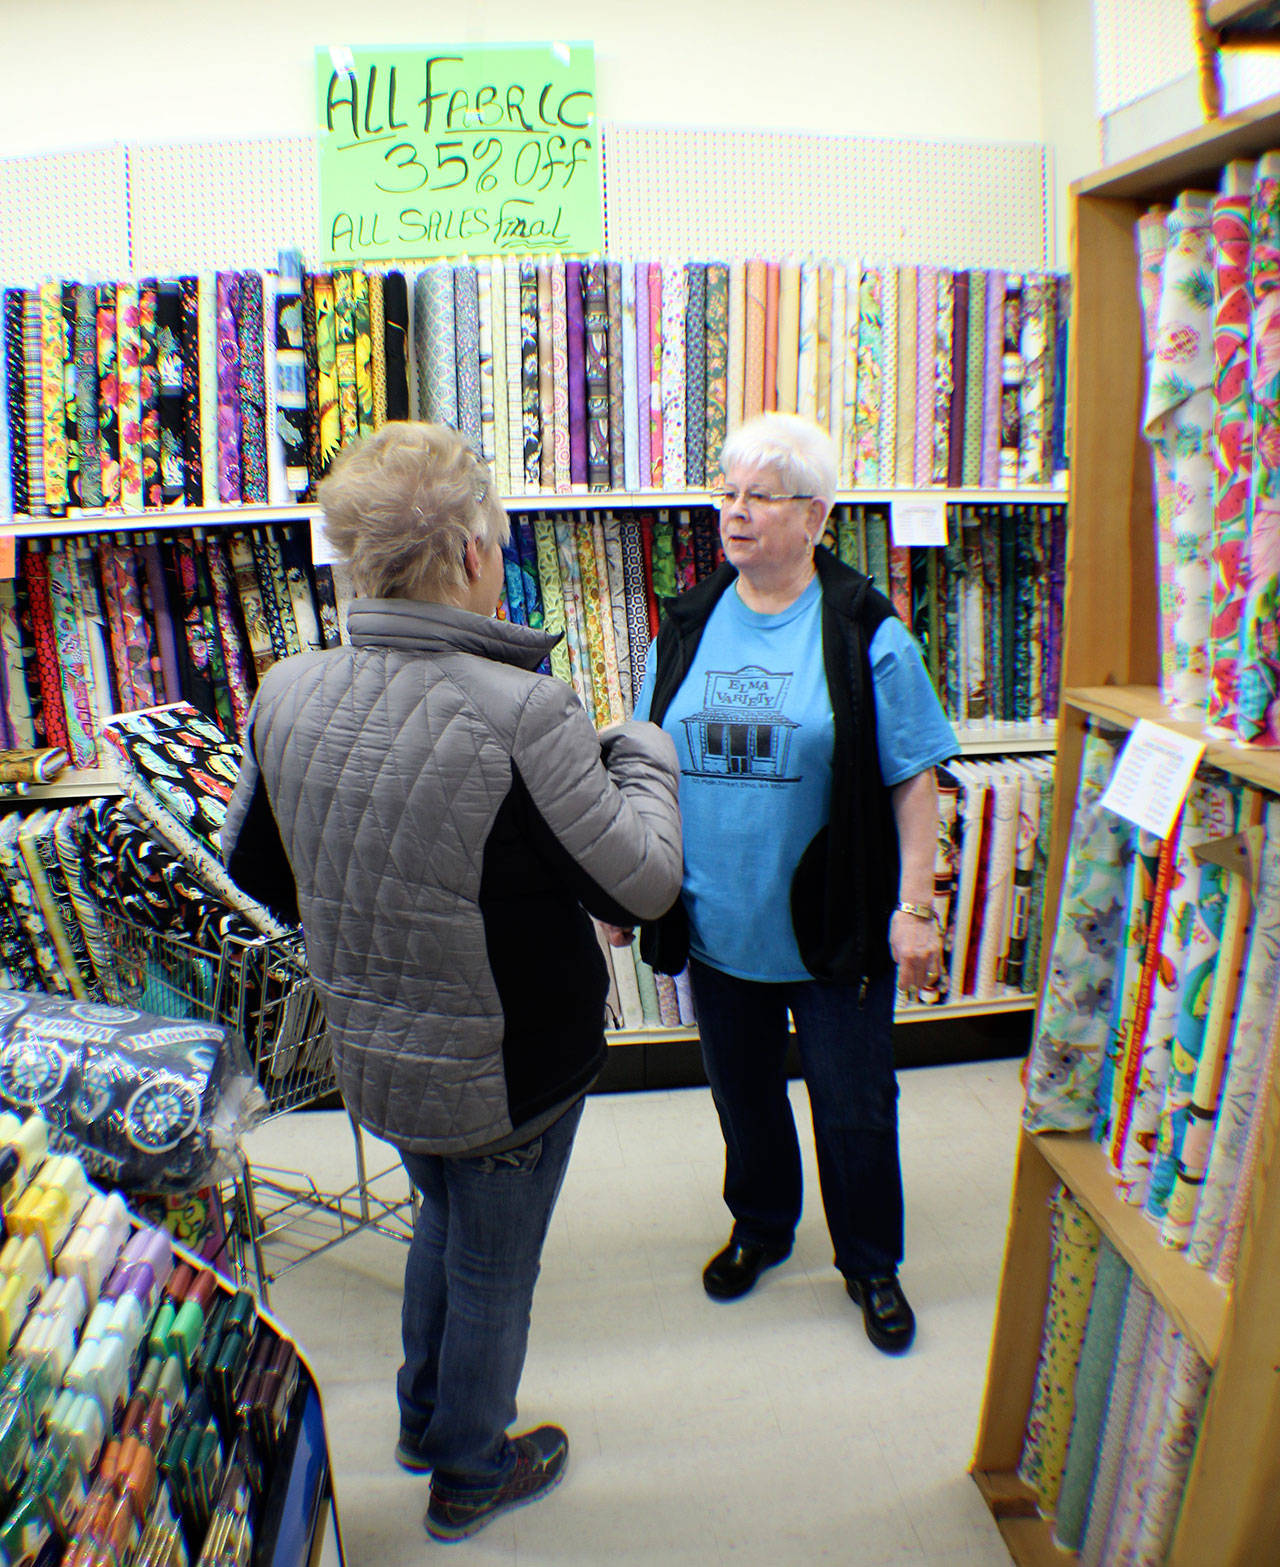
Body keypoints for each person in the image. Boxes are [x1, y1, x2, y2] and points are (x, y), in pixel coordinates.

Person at [221, 423, 682, 1539]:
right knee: (492, 1266)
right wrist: (645, 756)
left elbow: (256, 874)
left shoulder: (286, 690)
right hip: (510, 1061)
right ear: (476, 553)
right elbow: (646, 885)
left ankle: (426, 1414)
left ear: (349, 558)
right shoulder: (523, 709)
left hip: (379, 1049)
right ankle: (469, 1463)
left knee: (443, 1216)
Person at [626, 411, 955, 1356]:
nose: (732, 512)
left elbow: (913, 772)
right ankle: (763, 1224)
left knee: (853, 1102)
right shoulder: (687, 621)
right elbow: (651, 758)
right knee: (743, 1093)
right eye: (724, 492)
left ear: (815, 514)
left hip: (834, 918)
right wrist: (629, 886)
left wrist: (915, 906)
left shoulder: (862, 628)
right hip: (719, 916)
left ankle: (869, 1261)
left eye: (756, 496)